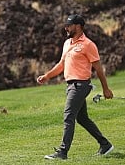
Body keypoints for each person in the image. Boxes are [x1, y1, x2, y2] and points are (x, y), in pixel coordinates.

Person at [36, 14, 114, 160]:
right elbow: (61, 65)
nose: (66, 27)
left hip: (80, 85)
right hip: (71, 85)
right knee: (82, 118)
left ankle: (62, 152)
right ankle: (105, 145)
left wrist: (106, 89)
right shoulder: (67, 43)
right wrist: (47, 76)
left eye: (69, 25)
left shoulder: (88, 45)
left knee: (68, 116)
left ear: (78, 26)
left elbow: (98, 69)